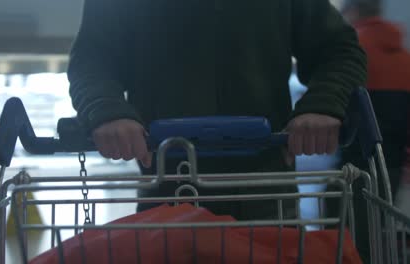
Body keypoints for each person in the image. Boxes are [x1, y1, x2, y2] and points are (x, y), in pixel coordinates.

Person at [68, 0, 366, 221]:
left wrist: (322, 105)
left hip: (265, 191)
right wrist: (107, 110)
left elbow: (340, 50)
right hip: (168, 189)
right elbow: (92, 59)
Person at [326, 0, 410, 261]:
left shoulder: (352, 54)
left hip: (352, 166)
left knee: (345, 239)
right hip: (391, 167)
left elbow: (334, 112)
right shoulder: (405, 58)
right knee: (378, 233)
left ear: (352, 12)